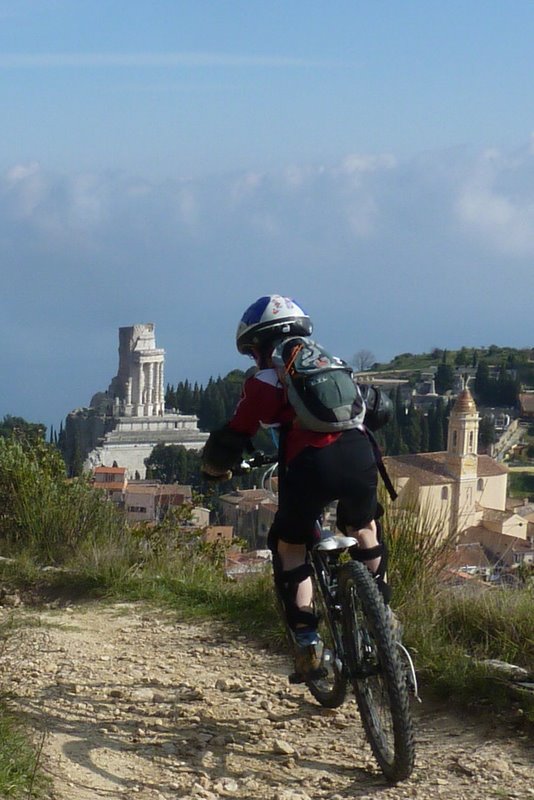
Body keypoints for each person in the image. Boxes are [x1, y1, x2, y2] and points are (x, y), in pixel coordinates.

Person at [201, 295, 390, 680]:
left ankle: (307, 643)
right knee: (364, 527)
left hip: (307, 466)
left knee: (291, 546)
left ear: (258, 345)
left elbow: (234, 436)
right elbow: (377, 409)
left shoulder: (263, 381)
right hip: (360, 454)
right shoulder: (334, 366)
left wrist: (214, 468)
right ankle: (384, 620)